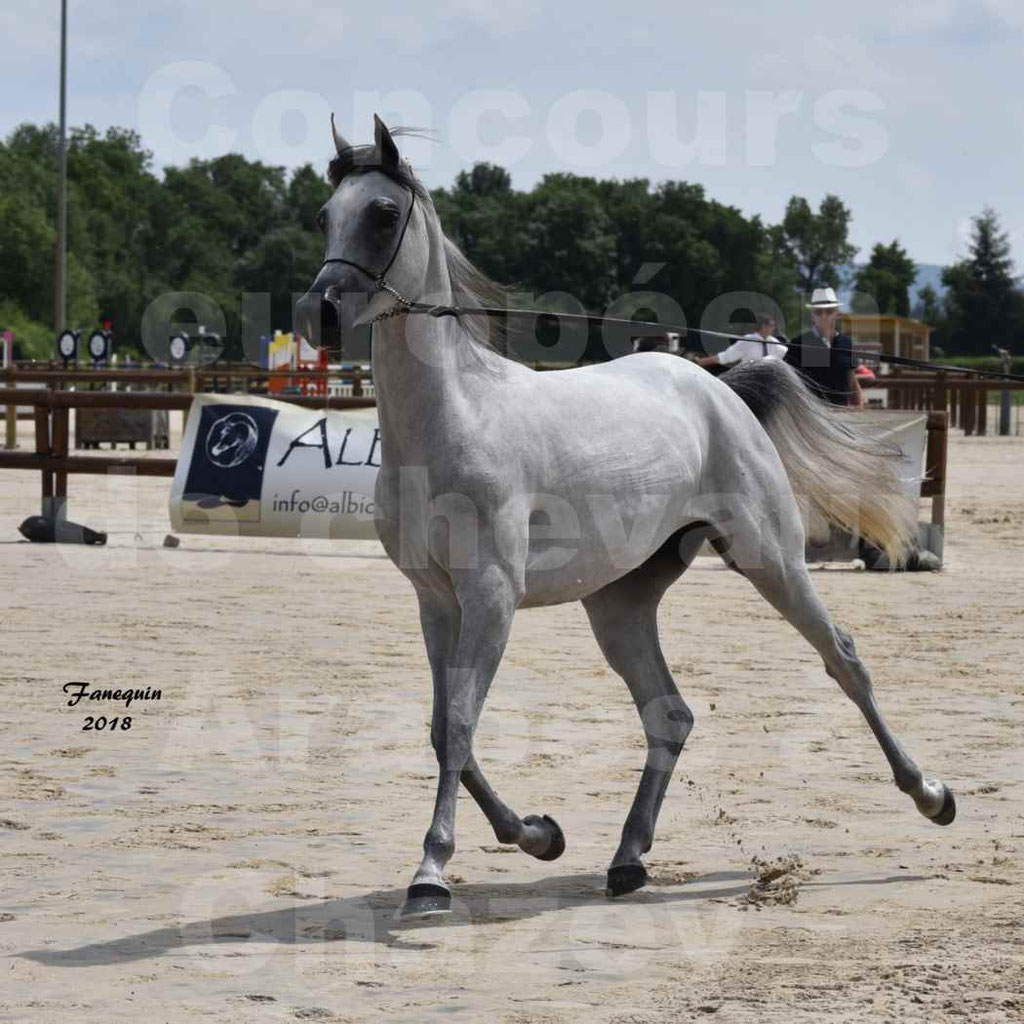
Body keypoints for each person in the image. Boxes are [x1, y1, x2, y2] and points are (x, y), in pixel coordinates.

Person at [784, 287, 864, 407]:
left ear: (837, 314)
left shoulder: (846, 343)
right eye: (818, 312)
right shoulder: (798, 343)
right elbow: (788, 381)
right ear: (812, 316)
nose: (824, 316)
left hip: (842, 413)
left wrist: (859, 406)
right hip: (811, 414)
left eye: (829, 311)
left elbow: (852, 380)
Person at [694, 313, 785, 370]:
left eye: (773, 326)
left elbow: (785, 357)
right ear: (762, 326)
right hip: (750, 378)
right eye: (771, 325)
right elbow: (726, 356)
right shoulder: (748, 341)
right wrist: (700, 362)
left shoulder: (774, 343)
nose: (773, 328)